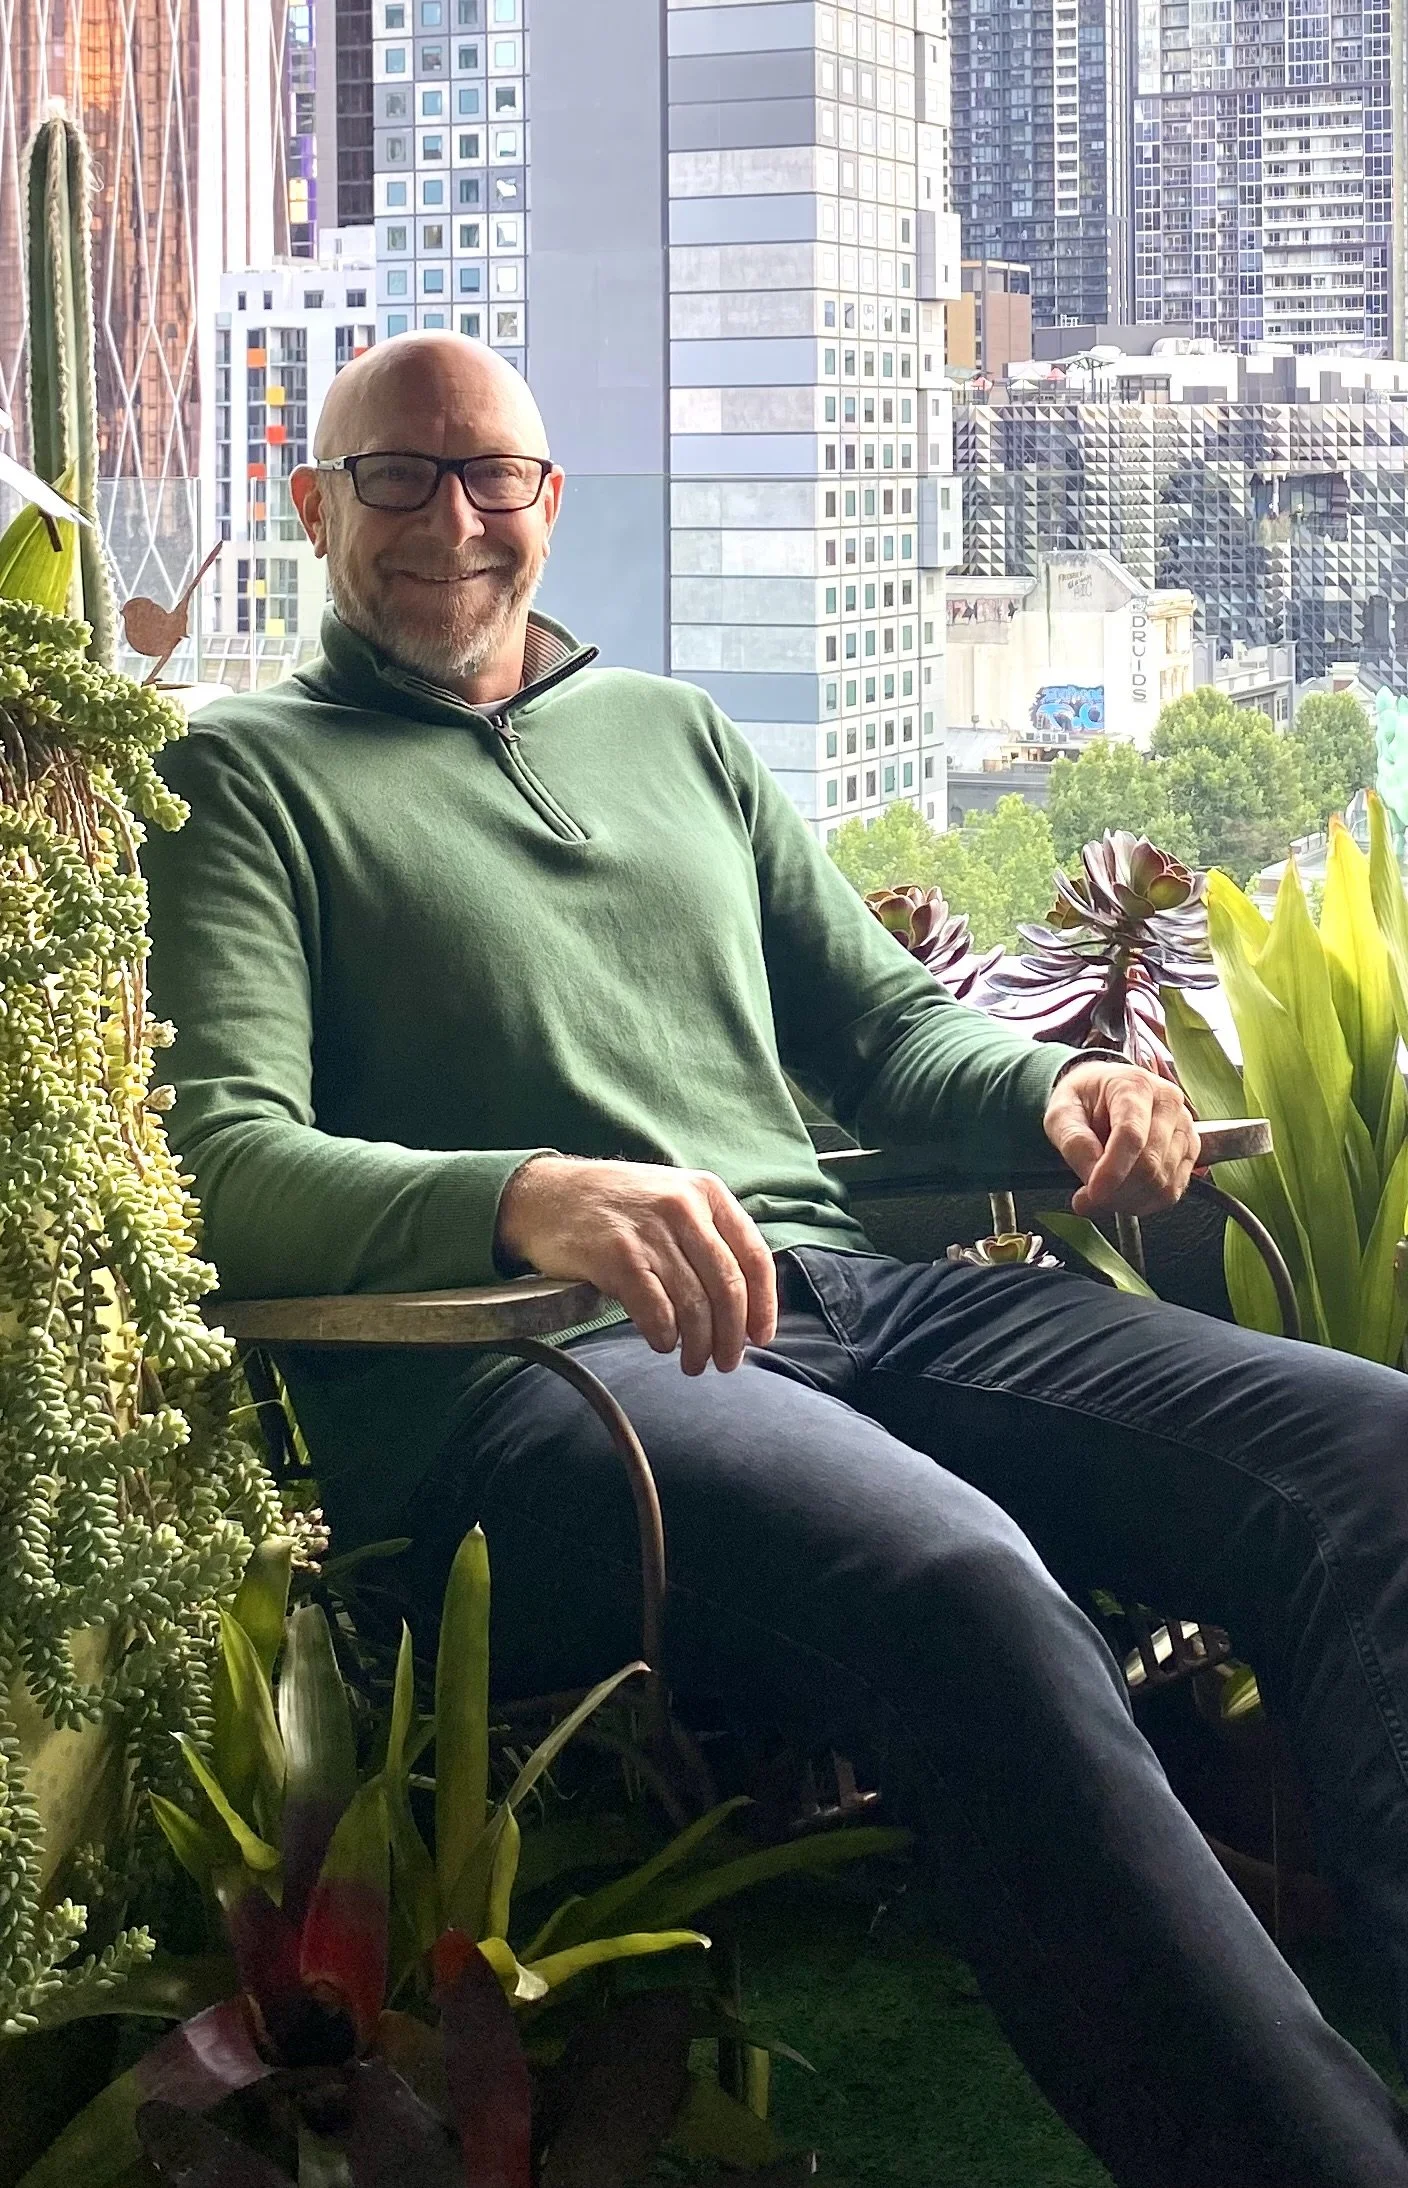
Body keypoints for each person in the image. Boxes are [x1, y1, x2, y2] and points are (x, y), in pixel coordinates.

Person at [143, 332, 1408, 2187]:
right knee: (957, 1585)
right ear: (315, 506)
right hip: (550, 1384)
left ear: (549, 504)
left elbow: (891, 1032)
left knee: (1369, 1460)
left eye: (493, 474)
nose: (451, 518)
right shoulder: (243, 777)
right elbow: (221, 1161)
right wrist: (529, 1193)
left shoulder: (677, 739)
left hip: (848, 1300)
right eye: (395, 477)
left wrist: (1063, 1090)